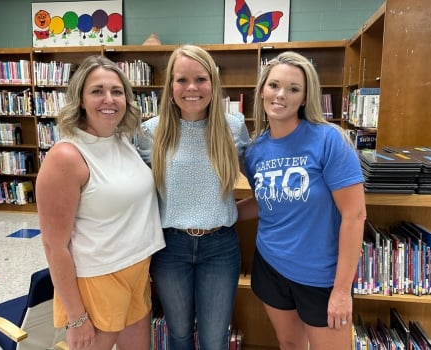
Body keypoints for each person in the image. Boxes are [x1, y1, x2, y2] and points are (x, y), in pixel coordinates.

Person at [237, 51, 366, 350]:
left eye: (293, 89)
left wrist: (342, 290)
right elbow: (268, 200)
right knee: (290, 345)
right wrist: (222, 213)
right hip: (270, 267)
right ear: (262, 90)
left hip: (321, 277)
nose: (281, 94)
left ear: (306, 97)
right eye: (274, 85)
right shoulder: (255, 151)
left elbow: (355, 215)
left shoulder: (328, 139)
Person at [36, 55, 165, 350]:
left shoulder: (122, 141)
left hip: (137, 269)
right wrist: (76, 317)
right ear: (80, 98)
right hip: (98, 277)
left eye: (116, 91)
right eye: (97, 91)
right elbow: (54, 246)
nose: (109, 99)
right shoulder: (66, 156)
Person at [136, 44, 251, 350]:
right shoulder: (150, 132)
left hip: (220, 246)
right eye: (182, 80)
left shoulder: (234, 127)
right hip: (169, 247)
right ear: (170, 85)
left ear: (213, 83)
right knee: (179, 333)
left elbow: (263, 182)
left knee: (215, 339)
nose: (191, 88)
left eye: (200, 79)